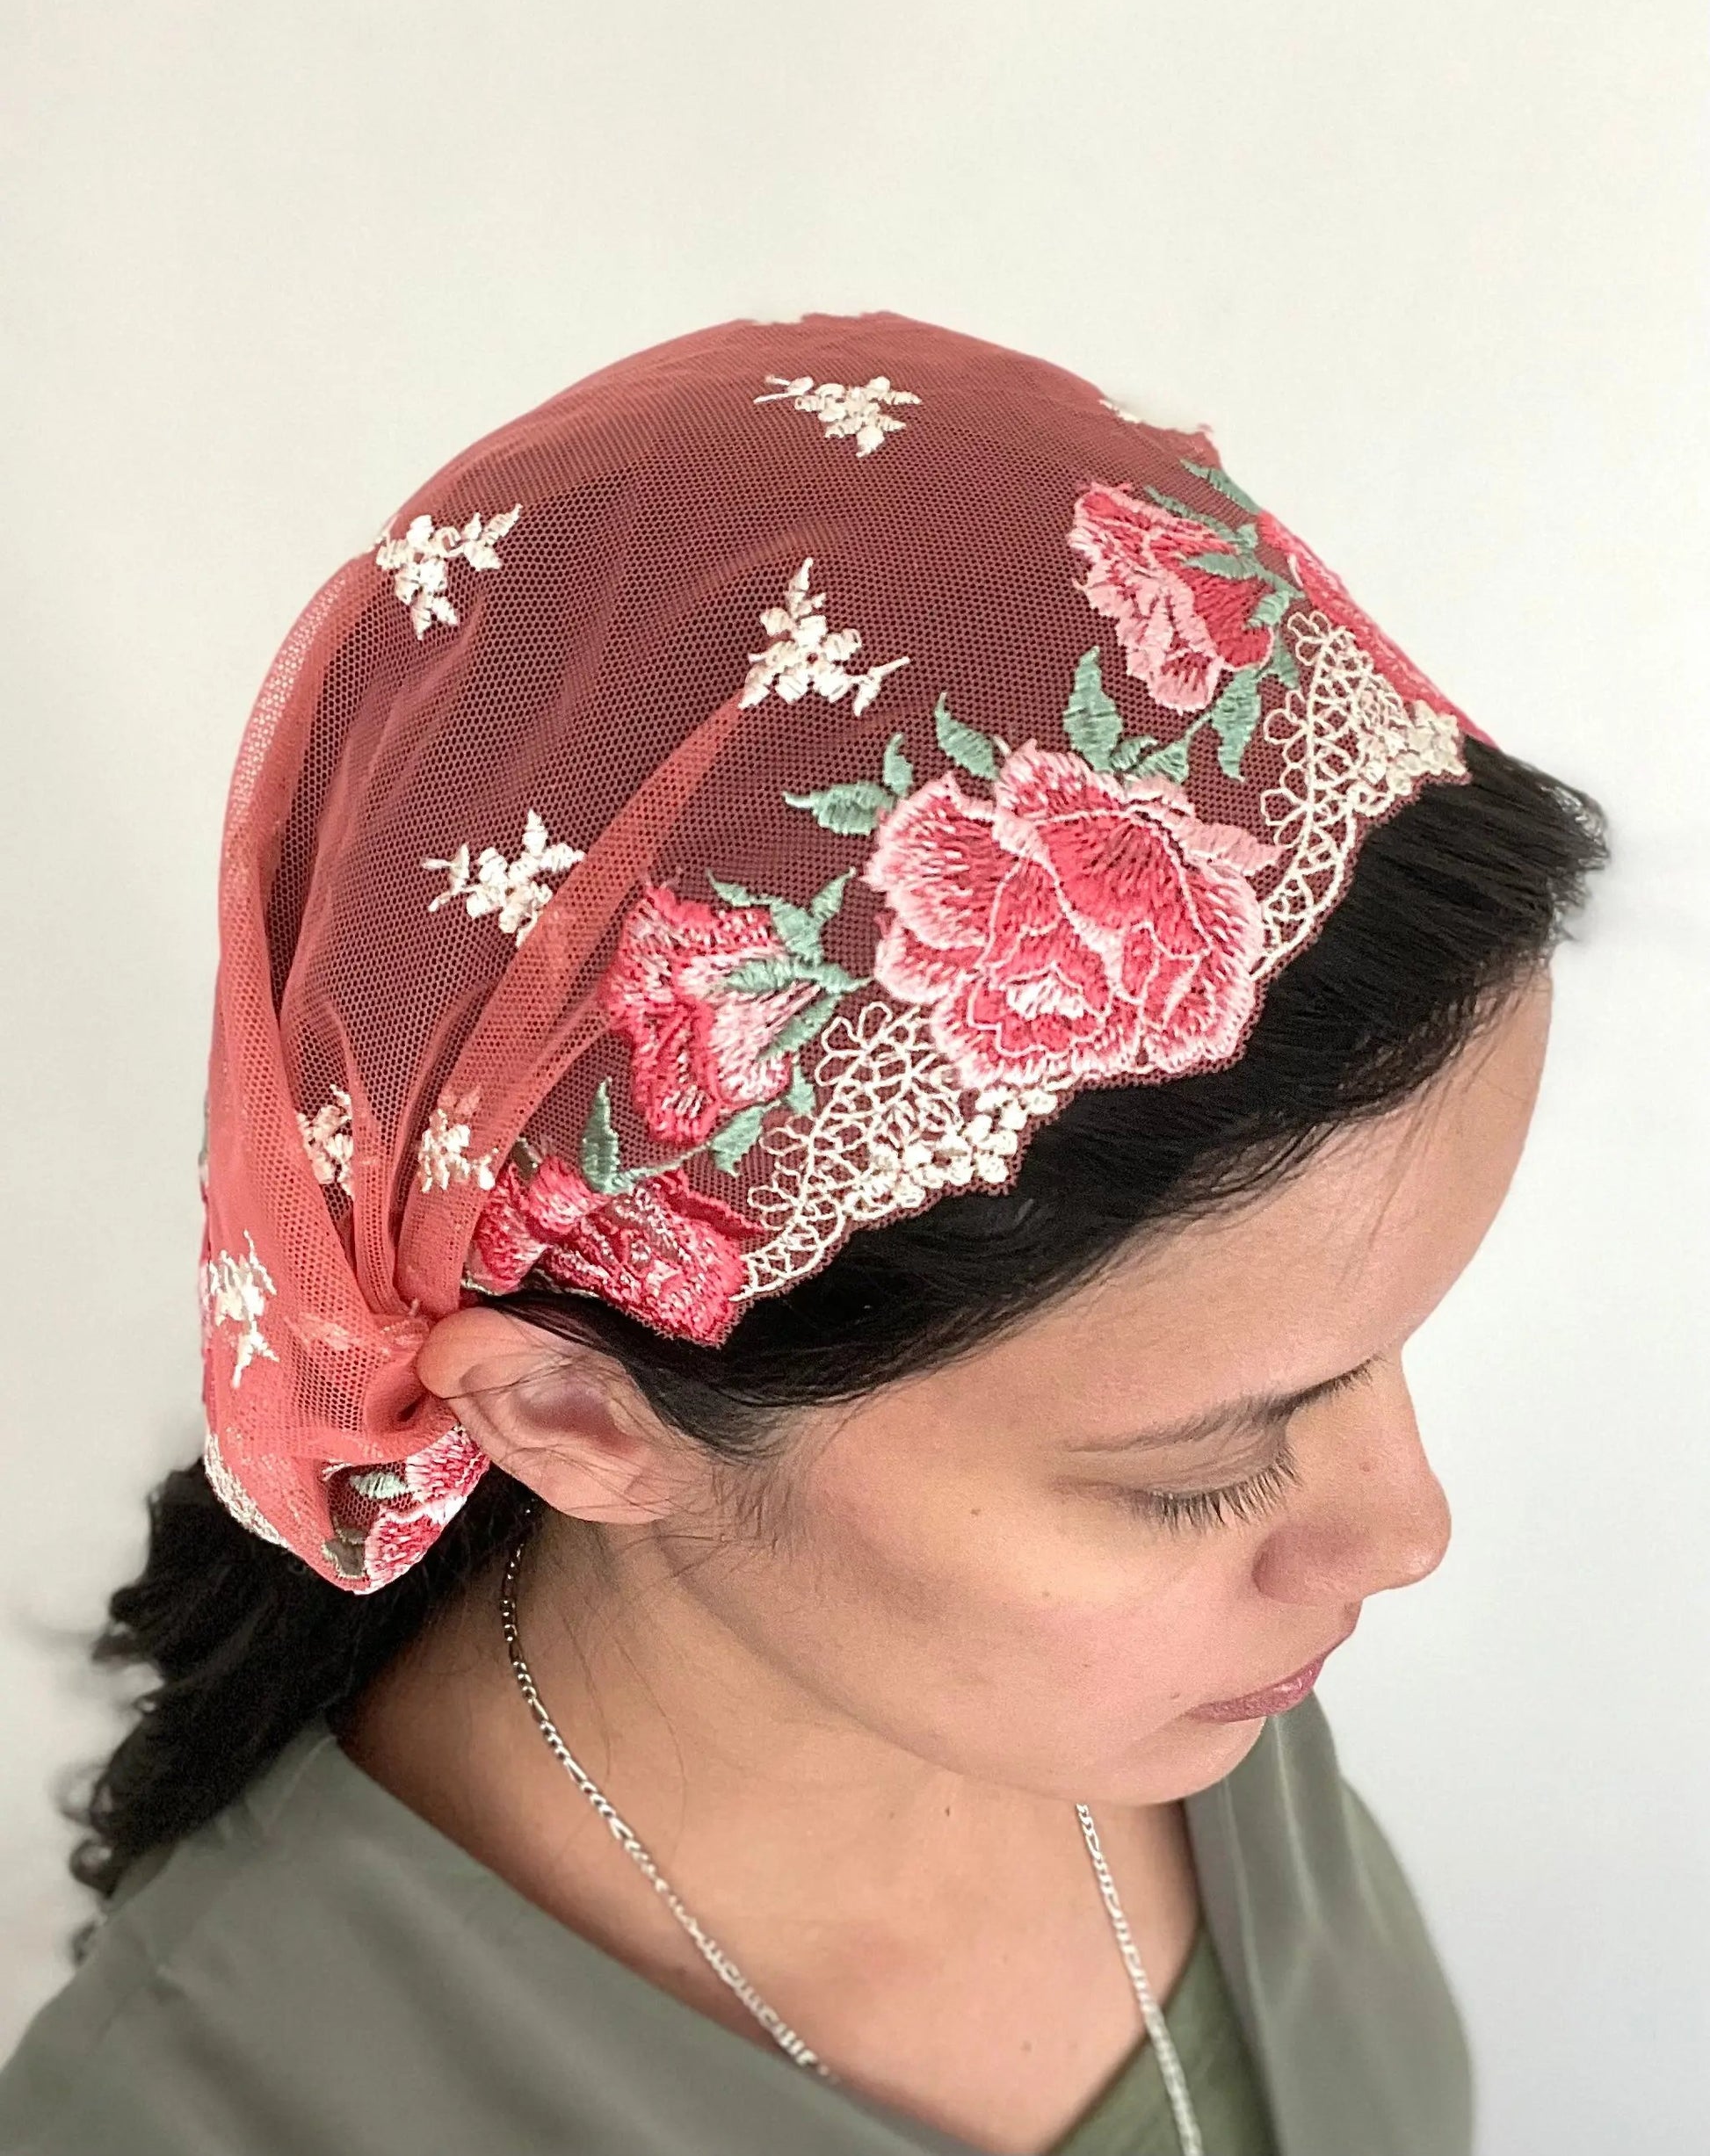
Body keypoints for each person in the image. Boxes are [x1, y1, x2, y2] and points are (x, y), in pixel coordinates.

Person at [0, 312, 1608, 2156]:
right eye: (1198, 1470)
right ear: (577, 1416)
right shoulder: (198, 2117)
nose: (1403, 1529)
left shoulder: (1162, 1695)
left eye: (1385, 1350)